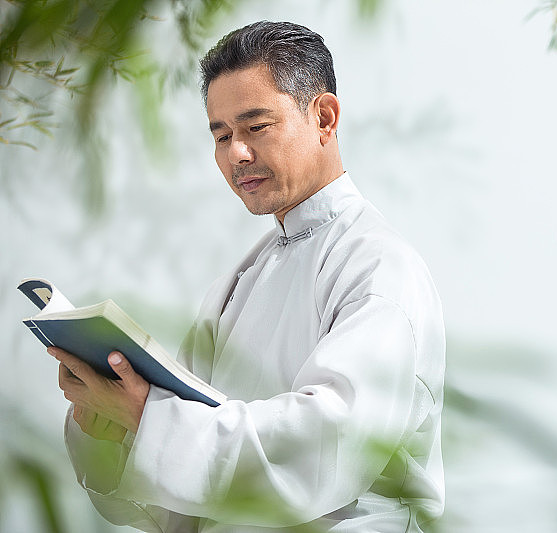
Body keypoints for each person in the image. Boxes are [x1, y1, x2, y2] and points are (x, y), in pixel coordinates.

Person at [51, 21, 446, 532]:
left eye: (256, 127)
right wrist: (110, 427)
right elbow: (176, 493)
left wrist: (148, 416)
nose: (236, 153)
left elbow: (323, 452)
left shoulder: (379, 268)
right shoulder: (238, 284)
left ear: (324, 117)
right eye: (221, 135)